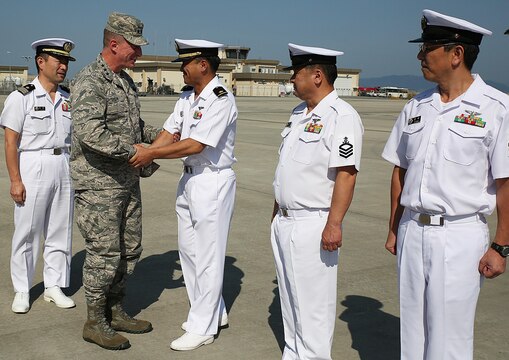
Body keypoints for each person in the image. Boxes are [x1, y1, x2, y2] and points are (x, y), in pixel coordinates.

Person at [382, 9, 509, 360]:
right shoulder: (416, 106)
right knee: (412, 332)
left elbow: (505, 183)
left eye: (429, 47)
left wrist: (501, 246)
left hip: (459, 236)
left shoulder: (497, 108)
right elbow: (400, 171)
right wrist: (395, 228)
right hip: (411, 231)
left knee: (448, 338)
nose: (421, 55)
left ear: (457, 54)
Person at [129, 39, 237, 351]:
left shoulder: (221, 99)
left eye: (186, 63)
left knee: (208, 256)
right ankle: (212, 311)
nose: (182, 69)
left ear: (203, 64)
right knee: (189, 253)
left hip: (212, 181)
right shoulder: (189, 96)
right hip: (189, 180)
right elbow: (169, 132)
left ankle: (203, 327)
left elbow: (195, 145)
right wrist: (150, 150)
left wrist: (149, 155)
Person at [70, 12, 161, 350]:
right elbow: (90, 132)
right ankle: (95, 321)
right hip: (99, 186)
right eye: (133, 48)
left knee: (130, 249)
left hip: (126, 181)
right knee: (104, 253)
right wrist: (133, 152)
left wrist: (162, 136)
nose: (137, 54)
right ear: (113, 44)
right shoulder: (90, 81)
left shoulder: (124, 81)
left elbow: (133, 127)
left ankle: (115, 309)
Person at [270, 43, 363, 360]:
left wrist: (334, 224)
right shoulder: (298, 113)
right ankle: (294, 354)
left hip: (314, 223)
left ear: (318, 75)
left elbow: (346, 174)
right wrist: (275, 213)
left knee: (312, 306)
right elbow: (287, 169)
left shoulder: (342, 116)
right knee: (291, 301)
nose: (291, 80)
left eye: (295, 74)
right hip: (285, 220)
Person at [0, 38, 76, 314]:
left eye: (66, 62)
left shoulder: (68, 97)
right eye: (58, 61)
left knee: (60, 229)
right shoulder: (22, 97)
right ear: (40, 62)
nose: (63, 66)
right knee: (28, 230)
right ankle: (22, 288)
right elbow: (10, 142)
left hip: (63, 164)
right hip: (34, 163)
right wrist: (15, 180)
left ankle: (53, 285)